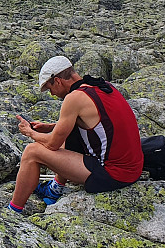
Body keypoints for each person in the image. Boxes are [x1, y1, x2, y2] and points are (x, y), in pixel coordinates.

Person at [8, 56, 143, 213]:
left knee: (32, 152)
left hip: (113, 174)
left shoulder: (74, 98)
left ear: (58, 81)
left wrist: (30, 133)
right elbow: (96, 122)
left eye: (49, 88)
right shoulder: (102, 86)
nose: (51, 94)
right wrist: (50, 127)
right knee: (69, 132)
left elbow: (52, 144)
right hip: (132, 168)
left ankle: (13, 211)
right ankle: (54, 190)